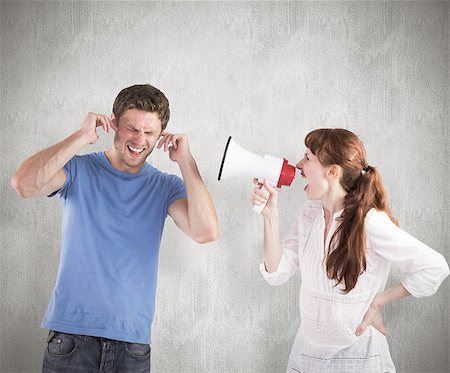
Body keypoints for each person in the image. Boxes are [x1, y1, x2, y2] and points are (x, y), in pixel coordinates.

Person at [11, 84, 219, 372]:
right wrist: (82, 136)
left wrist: (186, 160)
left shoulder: (165, 186)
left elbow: (206, 231)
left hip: (131, 346)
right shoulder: (78, 169)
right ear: (114, 124)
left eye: (149, 133)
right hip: (71, 340)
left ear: (161, 135)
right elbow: (23, 184)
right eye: (132, 128)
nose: (139, 140)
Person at [252, 128, 449, 373]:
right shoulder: (307, 214)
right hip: (307, 359)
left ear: (333, 171)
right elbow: (277, 273)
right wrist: (270, 216)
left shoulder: (370, 222)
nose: (299, 164)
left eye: (308, 157)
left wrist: (378, 301)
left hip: (360, 361)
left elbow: (434, 267)